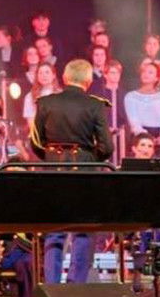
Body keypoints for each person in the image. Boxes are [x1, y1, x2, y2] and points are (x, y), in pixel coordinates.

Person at [29, 59, 113, 284]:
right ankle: (76, 285)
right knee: (83, 229)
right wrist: (88, 159)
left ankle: (52, 286)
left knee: (54, 229)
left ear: (65, 78)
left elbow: (35, 142)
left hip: (53, 171)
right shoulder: (95, 105)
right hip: (84, 173)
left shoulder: (45, 102)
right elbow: (107, 147)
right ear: (88, 81)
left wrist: (51, 158)